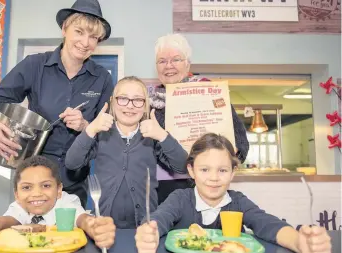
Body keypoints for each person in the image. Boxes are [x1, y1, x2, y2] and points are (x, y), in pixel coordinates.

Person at [0, 0, 113, 207]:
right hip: (35, 180)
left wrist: (85, 126)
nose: (85, 42)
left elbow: (111, 132)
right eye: (79, 31)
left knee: (71, 238)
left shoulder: (102, 78)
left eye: (93, 37)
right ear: (65, 28)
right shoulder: (34, 65)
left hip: (75, 182)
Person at [135, 133, 331, 253]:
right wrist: (148, 233)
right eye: (205, 170)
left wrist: (298, 242)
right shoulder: (180, 199)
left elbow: (268, 224)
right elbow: (158, 220)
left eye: (222, 170)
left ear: (233, 173)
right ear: (191, 171)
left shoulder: (238, 202)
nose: (214, 178)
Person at [65, 76, 188, 229]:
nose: (130, 106)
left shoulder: (153, 136)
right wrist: (90, 129)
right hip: (104, 225)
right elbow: (72, 163)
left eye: (137, 100)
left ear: (145, 105)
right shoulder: (101, 134)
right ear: (113, 102)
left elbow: (183, 166)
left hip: (145, 225)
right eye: (123, 99)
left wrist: (162, 136)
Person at [0, 156, 116, 249]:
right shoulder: (20, 209)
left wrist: (96, 227)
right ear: (16, 194)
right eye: (27, 188)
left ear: (59, 190)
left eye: (45, 185)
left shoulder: (66, 204)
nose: (36, 194)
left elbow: (83, 219)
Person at [151, 33, 250, 204]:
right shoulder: (149, 103)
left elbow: (240, 143)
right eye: (162, 61)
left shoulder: (212, 92)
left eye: (176, 59)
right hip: (166, 189)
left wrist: (229, 156)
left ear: (187, 63)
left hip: (210, 185)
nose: (169, 66)